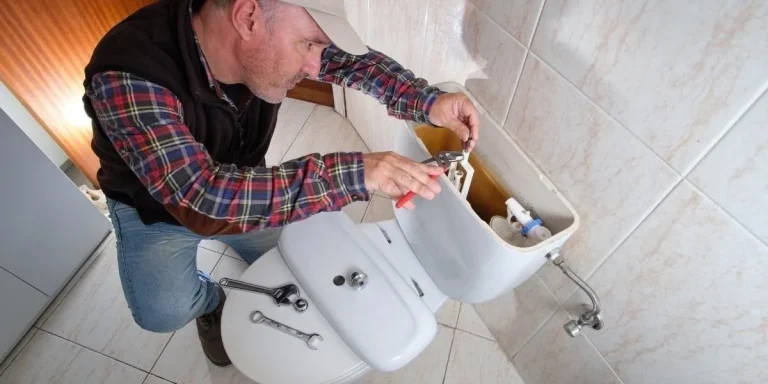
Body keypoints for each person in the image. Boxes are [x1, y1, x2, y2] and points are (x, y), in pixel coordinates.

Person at [82, 0, 480, 367]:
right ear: (247, 18)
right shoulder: (128, 76)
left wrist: (427, 101)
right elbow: (201, 197)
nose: (315, 67)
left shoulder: (275, 28)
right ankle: (209, 303)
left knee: (299, 258)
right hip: (153, 210)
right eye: (308, 44)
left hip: (243, 181)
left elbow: (353, 63)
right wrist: (356, 172)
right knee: (162, 312)